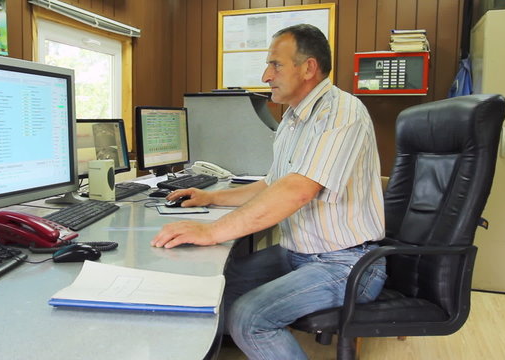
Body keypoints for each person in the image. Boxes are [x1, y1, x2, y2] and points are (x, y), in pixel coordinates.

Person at [151, 24, 387, 359]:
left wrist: (212, 231)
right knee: (211, 292)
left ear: (308, 68)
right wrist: (211, 198)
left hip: (347, 264)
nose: (265, 75)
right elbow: (272, 184)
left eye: (275, 64)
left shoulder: (341, 113)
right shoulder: (293, 119)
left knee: (250, 318)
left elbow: (297, 190)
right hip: (297, 254)